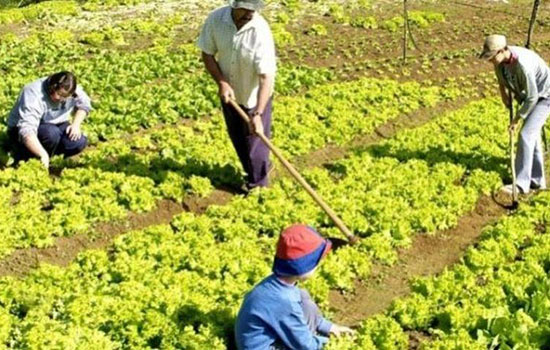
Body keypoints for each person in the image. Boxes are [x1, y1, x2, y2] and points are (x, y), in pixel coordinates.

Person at [197, 0, 276, 191]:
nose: (250, 13)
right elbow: (207, 53)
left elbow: (267, 77)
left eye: (254, 9)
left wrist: (257, 113)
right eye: (246, 8)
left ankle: (259, 185)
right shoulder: (216, 20)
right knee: (239, 139)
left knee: (255, 144)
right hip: (230, 96)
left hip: (255, 96)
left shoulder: (260, 31)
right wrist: (222, 83)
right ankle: (255, 172)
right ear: (234, 5)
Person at [235, 224, 354, 350]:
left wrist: (331, 328)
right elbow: (306, 346)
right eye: (316, 262)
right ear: (304, 266)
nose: (319, 264)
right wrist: (332, 343)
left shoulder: (275, 284)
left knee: (305, 299)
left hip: (269, 336)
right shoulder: (283, 301)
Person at [480, 34, 550, 194]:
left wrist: (517, 120)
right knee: (532, 136)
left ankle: (520, 184)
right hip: (530, 96)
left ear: (502, 51)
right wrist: (503, 93)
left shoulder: (522, 65)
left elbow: (532, 98)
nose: (490, 61)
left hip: (545, 96)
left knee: (525, 134)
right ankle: (538, 182)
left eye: (491, 57)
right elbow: (500, 78)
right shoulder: (500, 62)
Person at [7, 71, 92, 168]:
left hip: (56, 123)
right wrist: (42, 154)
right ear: (51, 86)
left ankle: (49, 157)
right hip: (21, 131)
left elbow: (85, 104)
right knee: (51, 134)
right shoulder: (33, 93)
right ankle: (28, 156)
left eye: (63, 96)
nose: (57, 97)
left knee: (78, 141)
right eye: (56, 93)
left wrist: (76, 125)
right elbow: (26, 131)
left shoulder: (71, 89)